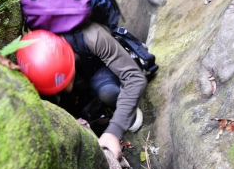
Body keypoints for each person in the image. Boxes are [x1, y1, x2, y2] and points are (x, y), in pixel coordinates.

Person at [17, 25, 146, 159]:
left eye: (65, 82)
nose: (66, 88)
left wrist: (114, 131)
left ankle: (123, 107)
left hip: (100, 65)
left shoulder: (93, 37)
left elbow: (135, 78)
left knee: (108, 92)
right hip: (81, 70)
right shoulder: (33, 61)